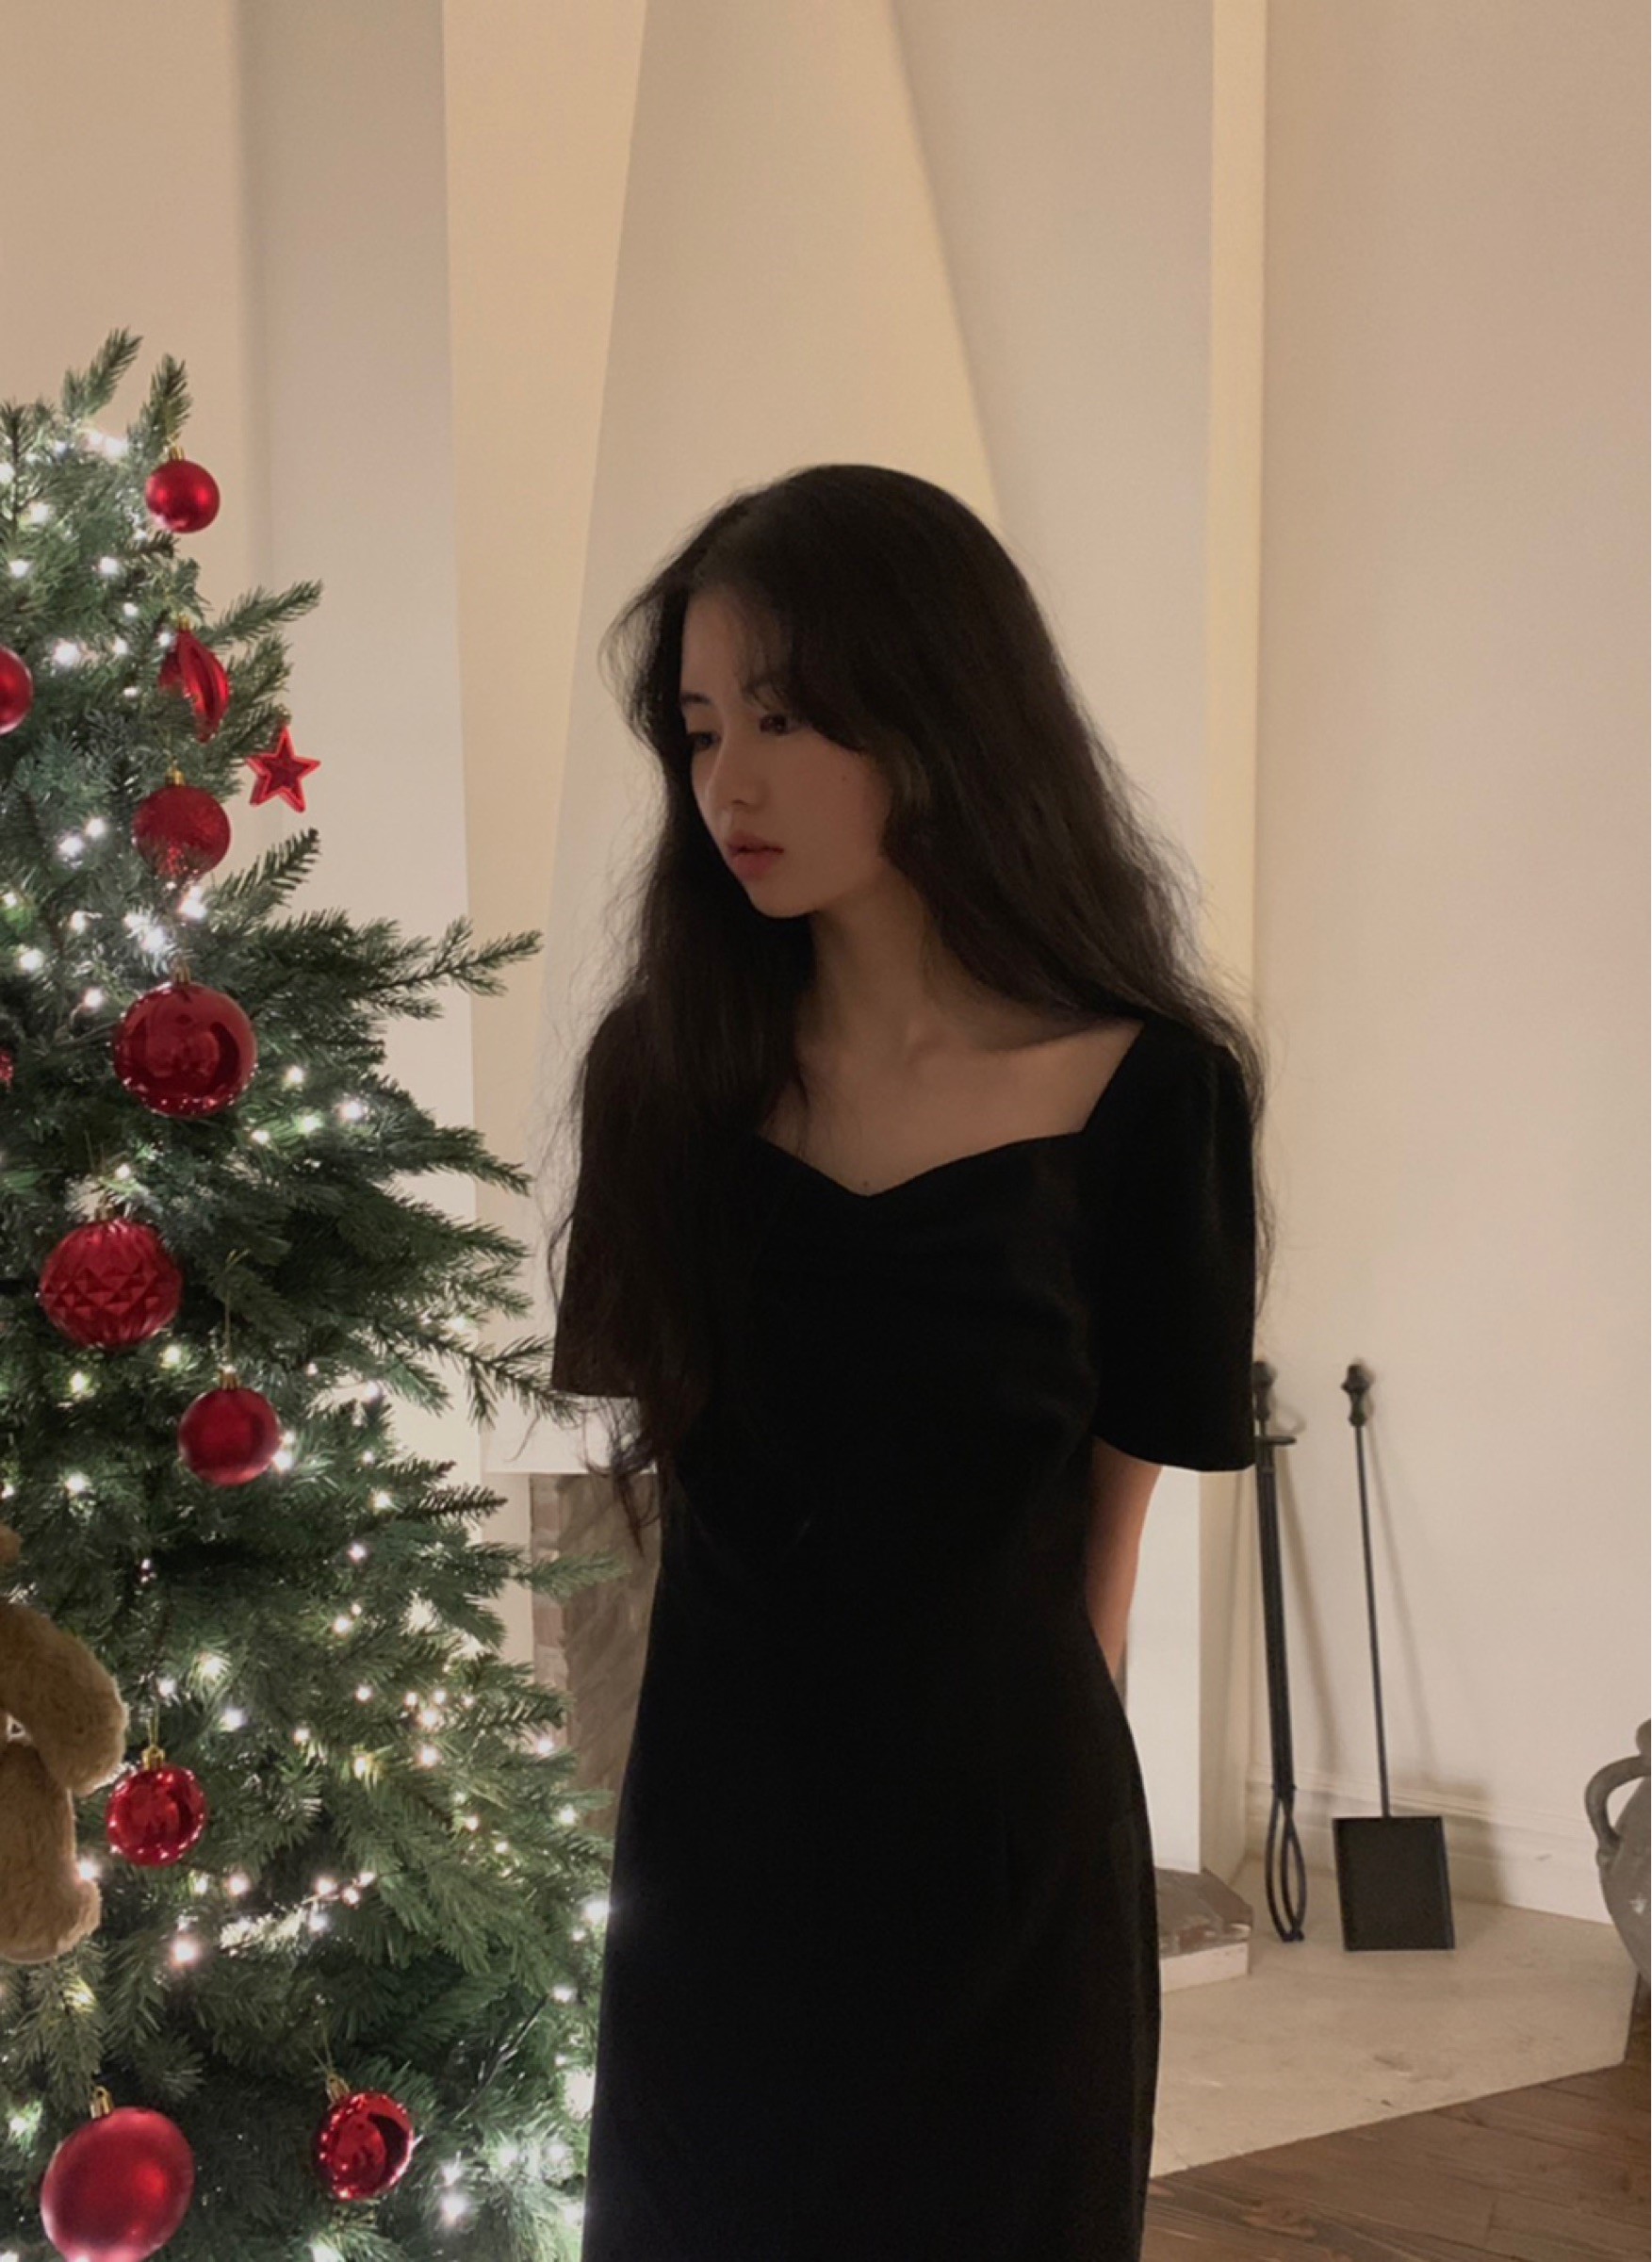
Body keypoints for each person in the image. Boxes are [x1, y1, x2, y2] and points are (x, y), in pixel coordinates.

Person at [547, 464, 1272, 2260]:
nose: (728, 783)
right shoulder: (666, 1080)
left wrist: (1050, 1812)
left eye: (784, 718)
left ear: (941, 710)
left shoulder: (1154, 1093)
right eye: (699, 730)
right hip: (717, 1854)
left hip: (1002, 1852)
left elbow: (1104, 1545)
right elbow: (667, 1504)